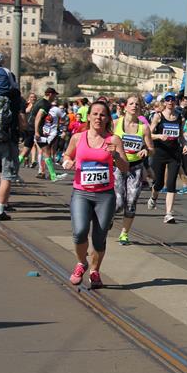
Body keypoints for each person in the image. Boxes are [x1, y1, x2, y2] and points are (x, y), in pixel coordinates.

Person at [62, 101, 129, 289]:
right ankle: (81, 263)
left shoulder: (114, 140)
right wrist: (67, 162)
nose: (98, 117)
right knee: (80, 232)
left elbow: (125, 168)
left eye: (102, 114)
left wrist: (116, 156)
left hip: (104, 196)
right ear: (89, 116)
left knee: (99, 238)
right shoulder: (78, 138)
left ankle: (94, 271)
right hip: (81, 193)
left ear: (107, 118)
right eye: (95, 114)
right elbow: (67, 156)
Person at [113, 95, 154, 245]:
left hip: (135, 168)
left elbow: (151, 149)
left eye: (137, 104)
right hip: (118, 166)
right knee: (118, 203)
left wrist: (146, 151)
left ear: (140, 108)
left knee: (131, 202)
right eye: (131, 103)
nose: (134, 106)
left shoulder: (144, 128)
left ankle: (124, 234)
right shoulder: (116, 123)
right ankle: (110, 217)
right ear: (125, 107)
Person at [0, 52, 24, 220]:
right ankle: (0, 210)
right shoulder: (13, 91)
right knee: (7, 175)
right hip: (8, 136)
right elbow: (20, 114)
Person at [147, 91, 183, 223]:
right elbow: (148, 134)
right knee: (159, 183)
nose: (170, 102)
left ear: (175, 101)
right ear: (164, 102)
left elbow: (181, 136)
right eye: (168, 100)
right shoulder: (158, 116)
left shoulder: (179, 117)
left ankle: (168, 214)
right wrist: (159, 136)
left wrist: (185, 145)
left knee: (171, 183)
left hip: (174, 153)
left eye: (172, 99)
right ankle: (153, 197)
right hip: (160, 152)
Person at [32, 87, 63, 181]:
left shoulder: (40, 101)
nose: (55, 97)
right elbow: (38, 117)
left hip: (34, 129)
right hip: (38, 130)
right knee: (46, 152)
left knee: (43, 151)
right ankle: (52, 175)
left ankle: (49, 174)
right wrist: (37, 131)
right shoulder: (45, 104)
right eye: (54, 95)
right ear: (50, 94)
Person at [19, 92, 38, 168]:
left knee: (30, 147)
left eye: (34, 97)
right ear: (29, 98)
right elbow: (26, 111)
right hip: (27, 129)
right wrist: (31, 104)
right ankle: (17, 164)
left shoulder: (38, 106)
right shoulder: (26, 105)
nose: (33, 98)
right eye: (31, 97)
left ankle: (31, 160)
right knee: (26, 149)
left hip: (34, 128)